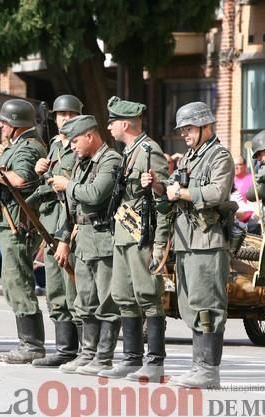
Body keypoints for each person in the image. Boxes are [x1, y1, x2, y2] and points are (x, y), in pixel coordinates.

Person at [141, 101, 234, 388]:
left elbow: (218, 191)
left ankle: (208, 369)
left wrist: (181, 192)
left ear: (206, 126)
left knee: (207, 304)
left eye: (190, 128)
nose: (185, 134)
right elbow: (171, 192)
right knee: (191, 304)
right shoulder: (188, 159)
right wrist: (158, 185)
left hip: (207, 240)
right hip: (185, 239)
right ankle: (198, 366)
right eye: (182, 129)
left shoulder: (219, 156)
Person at [99, 97, 169, 382]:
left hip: (143, 236)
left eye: (113, 122)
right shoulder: (129, 152)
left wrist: (161, 243)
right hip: (124, 234)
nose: (110, 126)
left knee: (148, 295)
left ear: (125, 124)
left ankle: (155, 362)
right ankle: (131, 358)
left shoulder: (149, 152)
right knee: (124, 296)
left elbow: (162, 200)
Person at [49, 115, 122, 376]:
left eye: (76, 141)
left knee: (107, 300)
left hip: (103, 238)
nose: (73, 147)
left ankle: (103, 357)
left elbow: (94, 194)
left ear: (90, 136)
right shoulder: (83, 163)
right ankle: (88, 353)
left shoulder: (110, 160)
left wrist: (68, 185)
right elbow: (72, 208)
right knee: (85, 299)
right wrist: (65, 239)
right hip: (83, 239)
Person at [0, 99, 47, 364]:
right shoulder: (17, 146)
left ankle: (31, 345)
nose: (0, 125)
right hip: (7, 221)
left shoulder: (28, 148)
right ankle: (27, 342)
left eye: (5, 121)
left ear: (17, 124)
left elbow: (20, 180)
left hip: (18, 224)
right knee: (11, 283)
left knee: (18, 282)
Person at [30, 94, 82, 368]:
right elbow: (50, 181)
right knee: (54, 289)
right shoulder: (53, 145)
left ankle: (84, 350)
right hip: (50, 223)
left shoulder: (81, 147)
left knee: (73, 287)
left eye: (70, 115)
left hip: (70, 224)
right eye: (61, 116)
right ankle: (65, 348)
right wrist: (42, 170)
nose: (64, 120)